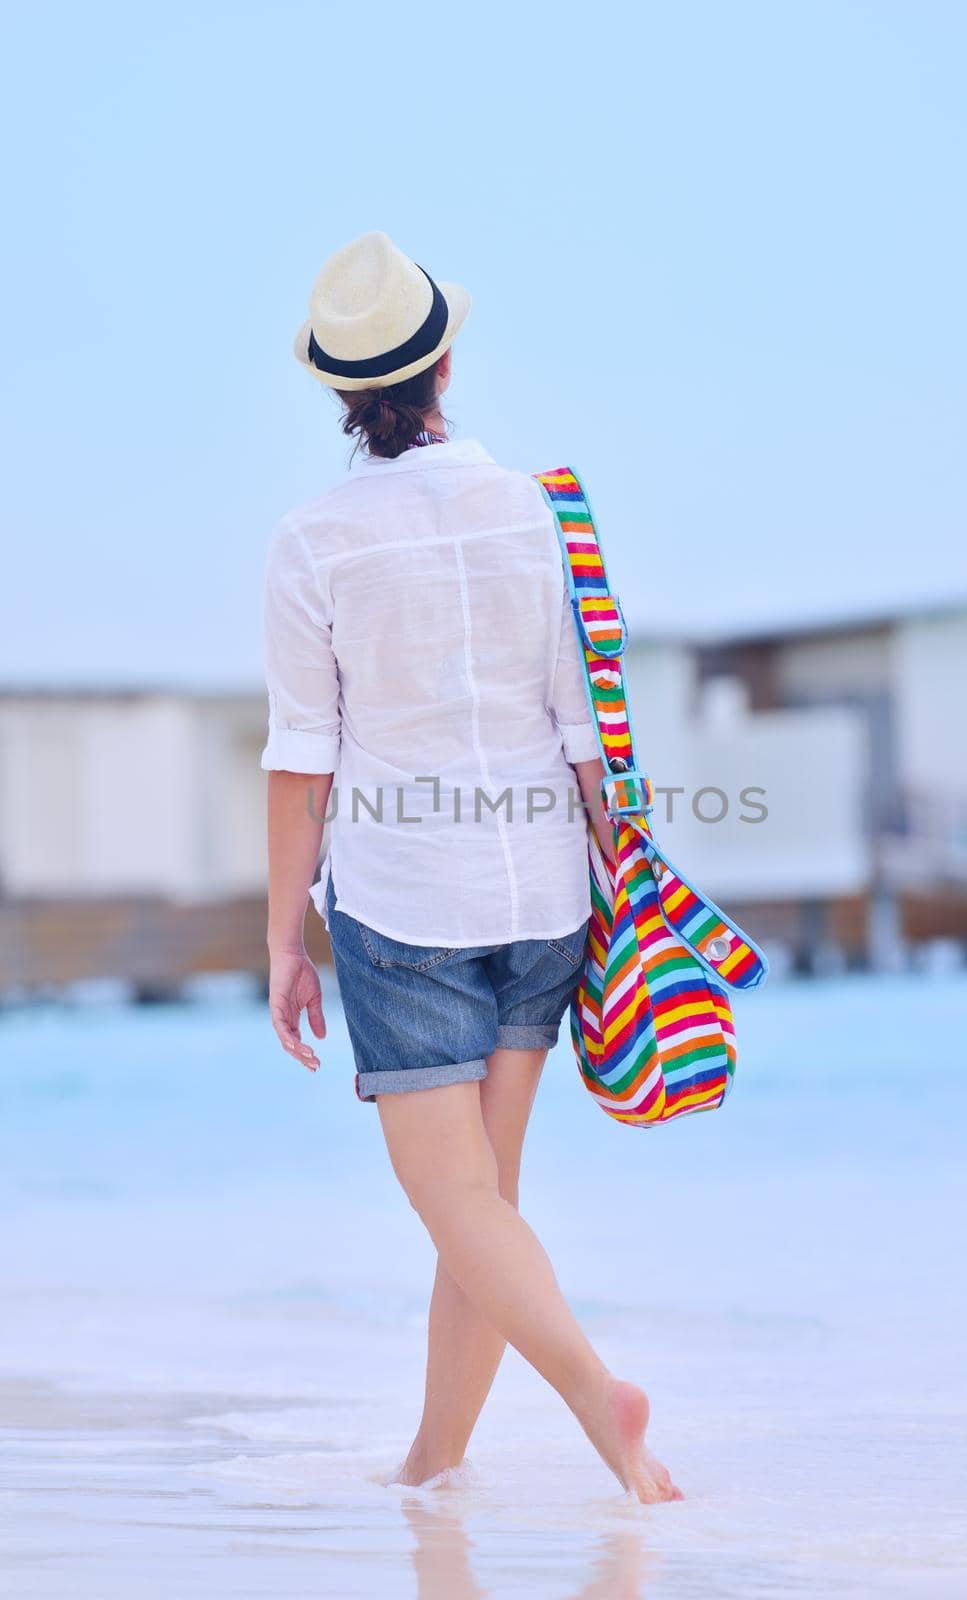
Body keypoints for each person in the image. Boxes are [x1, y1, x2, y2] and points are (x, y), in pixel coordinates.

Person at [260, 231, 682, 1504]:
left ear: (342, 395)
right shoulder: (542, 509)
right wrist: (629, 884)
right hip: (547, 892)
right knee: (483, 1203)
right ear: (446, 359)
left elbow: (301, 756)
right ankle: (434, 1461)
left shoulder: (311, 540)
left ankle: (597, 1400)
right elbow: (583, 724)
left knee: (459, 1204)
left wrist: (284, 931)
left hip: (404, 903)